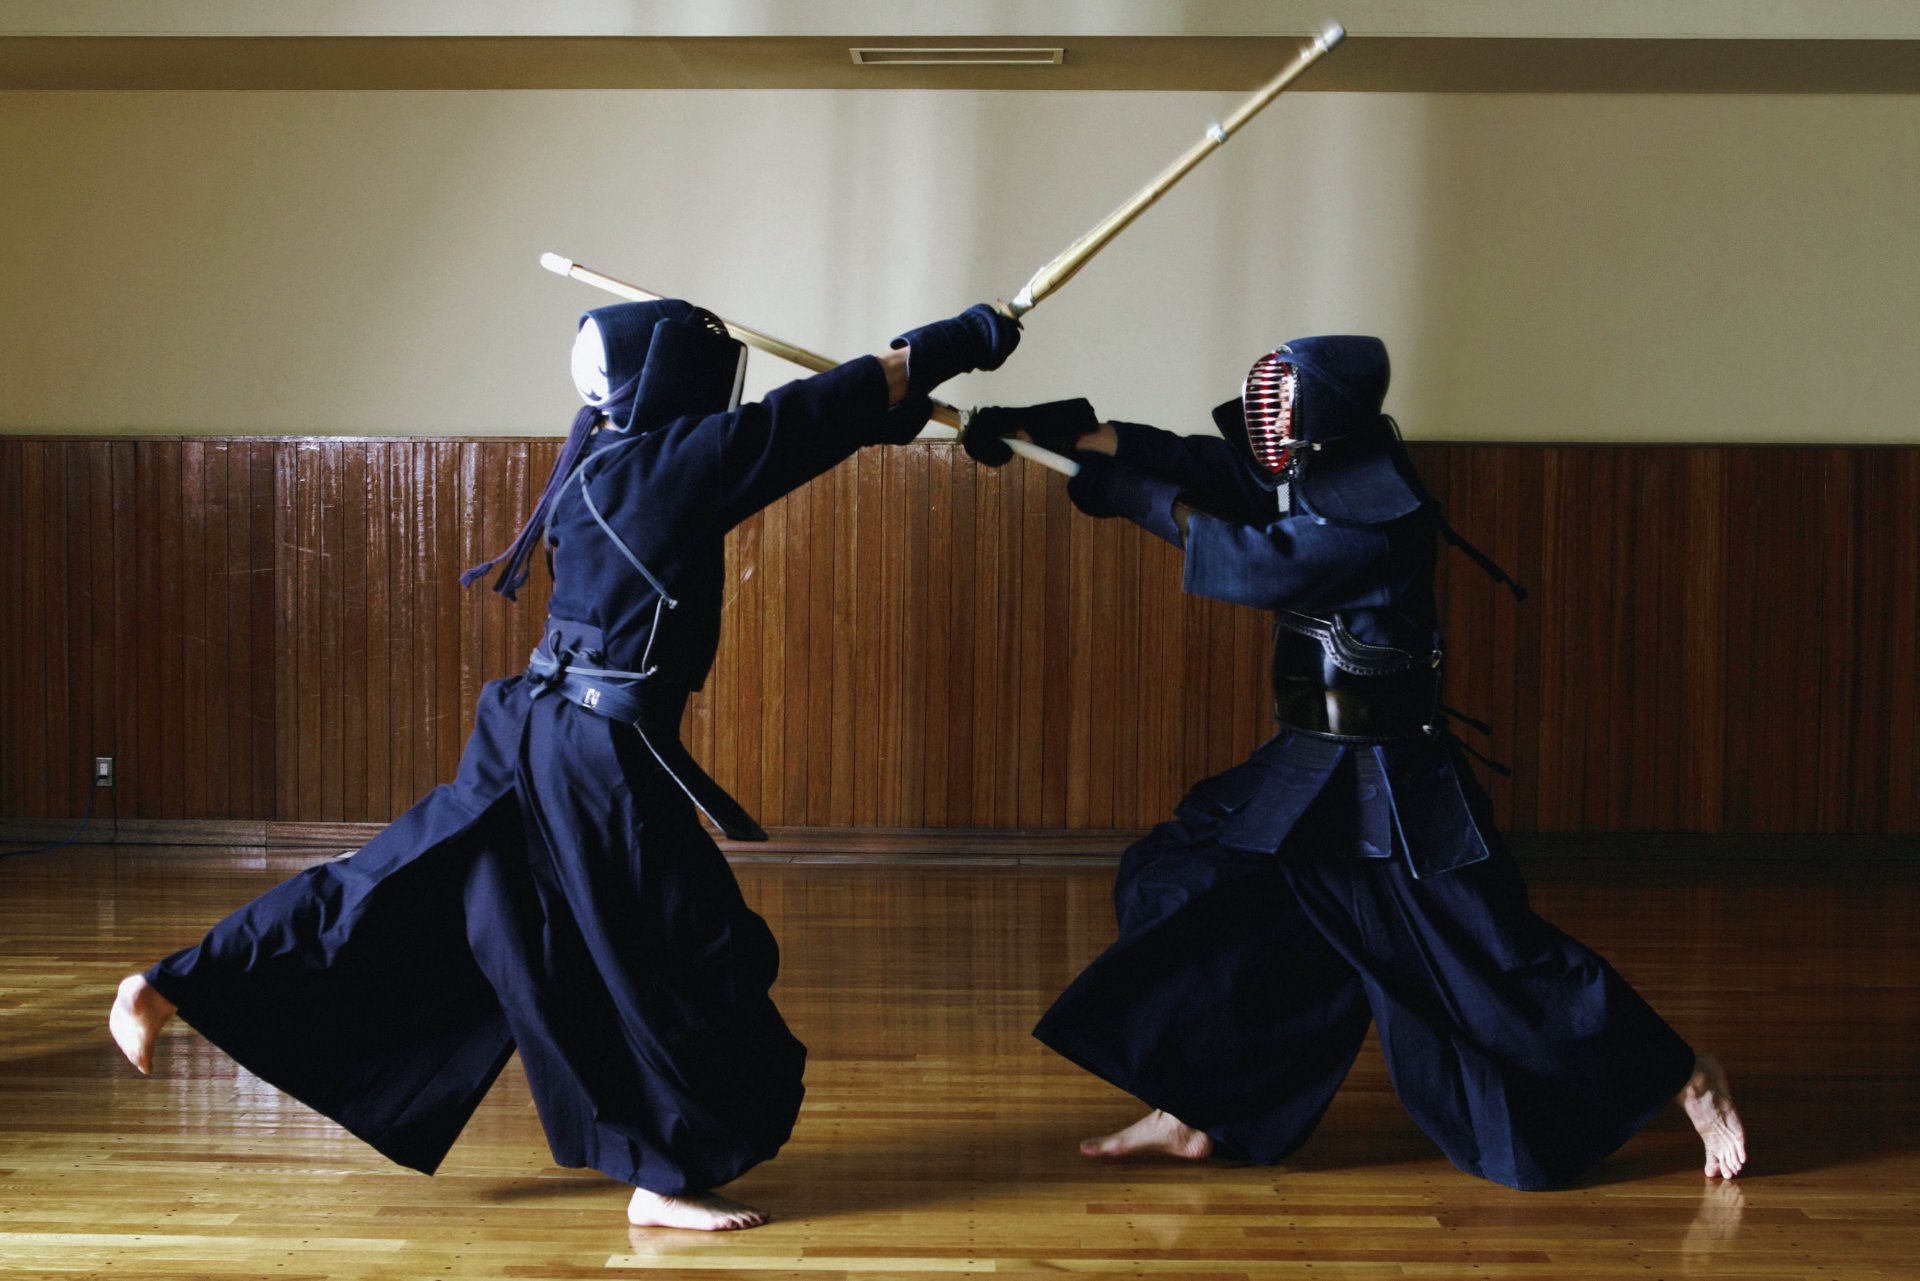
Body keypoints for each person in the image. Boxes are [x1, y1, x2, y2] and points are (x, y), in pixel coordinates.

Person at [110, 297, 1020, 1231]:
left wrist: (898, 413)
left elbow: (789, 441)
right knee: (681, 954)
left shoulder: (617, 456)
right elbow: (804, 419)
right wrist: (960, 340)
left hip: (536, 727)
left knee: (404, 887)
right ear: (672, 375)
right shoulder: (669, 464)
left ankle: (172, 983)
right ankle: (664, 1173)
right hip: (591, 757)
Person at [963, 335, 1746, 1189]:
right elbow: (1199, 464)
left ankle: (1686, 1077)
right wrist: (1069, 434)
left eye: (1280, 410)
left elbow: (1259, 562)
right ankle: (1199, 1109)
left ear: (1321, 416)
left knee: (1495, 959)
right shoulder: (1315, 465)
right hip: (1310, 766)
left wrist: (1128, 493)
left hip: (1394, 785)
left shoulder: (1379, 513)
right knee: (1183, 876)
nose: (1265, 427)